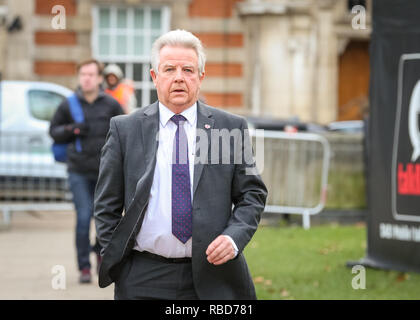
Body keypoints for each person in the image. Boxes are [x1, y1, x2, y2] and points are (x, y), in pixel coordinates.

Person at [94, 30, 267, 299]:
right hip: (142, 276)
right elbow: (106, 205)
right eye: (169, 69)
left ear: (200, 77)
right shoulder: (124, 129)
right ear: (154, 77)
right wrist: (117, 261)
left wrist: (234, 237)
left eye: (188, 69)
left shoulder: (229, 128)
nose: (178, 77)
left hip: (214, 276)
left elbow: (252, 194)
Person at [49, 59, 124, 284]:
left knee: (106, 218)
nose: (87, 78)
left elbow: (126, 132)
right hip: (78, 171)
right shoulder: (68, 104)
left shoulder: (111, 104)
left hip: (106, 173)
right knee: (83, 218)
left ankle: (101, 255)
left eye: (91, 74)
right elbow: (53, 131)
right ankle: (83, 267)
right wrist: (72, 129)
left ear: (100, 78)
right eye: (83, 74)